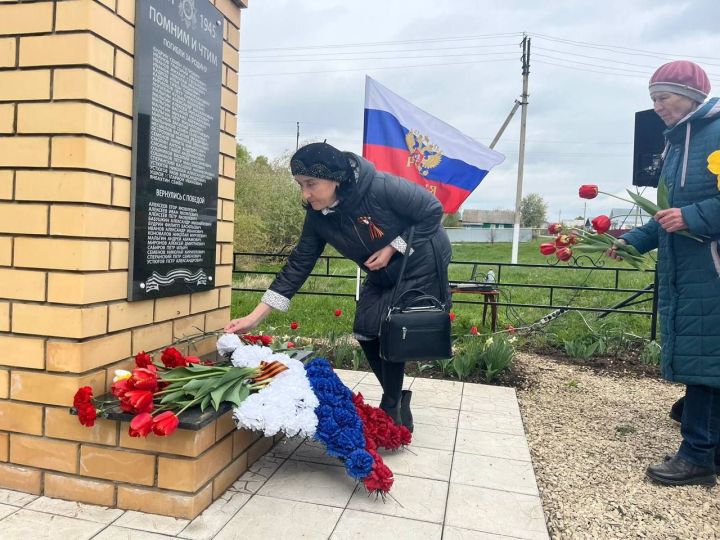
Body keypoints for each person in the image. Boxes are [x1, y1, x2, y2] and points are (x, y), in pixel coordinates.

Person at [225, 142, 452, 431]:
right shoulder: (317, 217)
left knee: (390, 328)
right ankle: (396, 399)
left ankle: (391, 407)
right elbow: (298, 265)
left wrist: (393, 248)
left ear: (336, 179)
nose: (305, 194)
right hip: (380, 270)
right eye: (299, 185)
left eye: (311, 184)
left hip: (420, 259)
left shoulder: (380, 188)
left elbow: (433, 211)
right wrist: (254, 317)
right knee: (366, 330)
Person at [609, 60, 720, 486]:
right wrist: (633, 241)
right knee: (703, 359)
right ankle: (708, 444)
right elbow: (666, 212)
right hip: (688, 269)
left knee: (706, 362)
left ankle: (697, 457)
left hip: (711, 270)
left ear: (691, 97)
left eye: (664, 97)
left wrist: (694, 215)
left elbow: (684, 213)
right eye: (653, 98)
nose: (656, 106)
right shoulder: (676, 145)